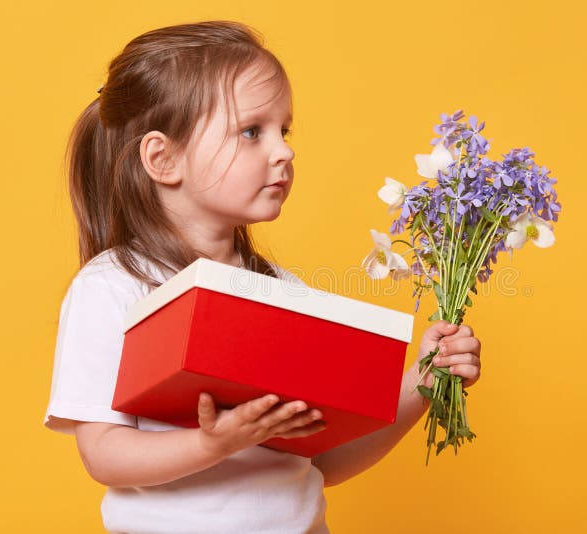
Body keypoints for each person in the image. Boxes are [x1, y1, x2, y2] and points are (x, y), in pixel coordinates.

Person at [44, 20, 483, 534]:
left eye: (284, 130)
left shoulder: (285, 293)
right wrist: (214, 444)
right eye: (252, 131)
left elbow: (321, 463)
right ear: (163, 159)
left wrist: (423, 384)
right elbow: (104, 454)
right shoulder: (114, 287)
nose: (284, 151)